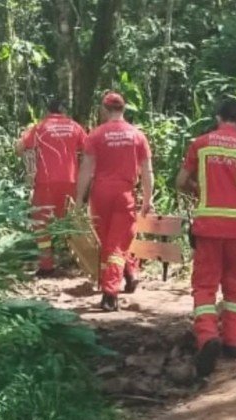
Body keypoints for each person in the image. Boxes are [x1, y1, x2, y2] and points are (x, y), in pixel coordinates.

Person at [176, 98, 236, 377]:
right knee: (233, 285)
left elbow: (181, 181)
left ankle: (207, 337)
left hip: (208, 226)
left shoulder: (201, 143)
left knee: (205, 286)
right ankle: (234, 341)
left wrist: (199, 190)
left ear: (218, 117)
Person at [77, 92, 153, 312]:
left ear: (104, 109)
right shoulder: (137, 135)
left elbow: (86, 170)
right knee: (117, 244)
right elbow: (147, 171)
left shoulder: (96, 135)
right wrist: (147, 199)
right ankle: (111, 293)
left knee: (111, 243)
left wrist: (80, 200)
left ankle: (127, 277)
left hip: (100, 195)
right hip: (124, 194)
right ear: (124, 109)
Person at [15, 98, 86, 277]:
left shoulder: (40, 127)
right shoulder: (75, 127)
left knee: (41, 222)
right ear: (64, 111)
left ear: (48, 111)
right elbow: (88, 149)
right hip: (71, 180)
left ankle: (46, 265)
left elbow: (20, 148)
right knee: (72, 221)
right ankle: (81, 262)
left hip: (45, 182)